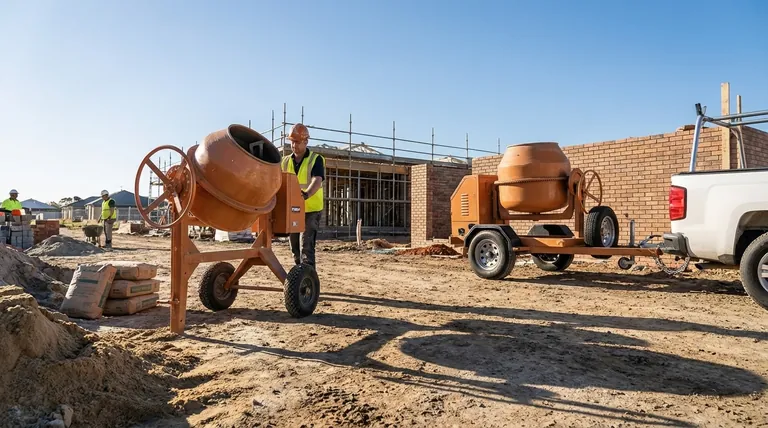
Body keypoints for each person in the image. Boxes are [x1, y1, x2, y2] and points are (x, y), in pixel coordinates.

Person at [280, 123, 325, 267]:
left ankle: (308, 280)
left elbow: (317, 180)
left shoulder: (316, 159)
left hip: (311, 209)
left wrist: (306, 194)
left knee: (306, 247)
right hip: (293, 209)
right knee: (294, 247)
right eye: (292, 141)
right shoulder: (285, 161)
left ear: (306, 141)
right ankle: (299, 275)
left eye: (297, 142)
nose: (293, 145)